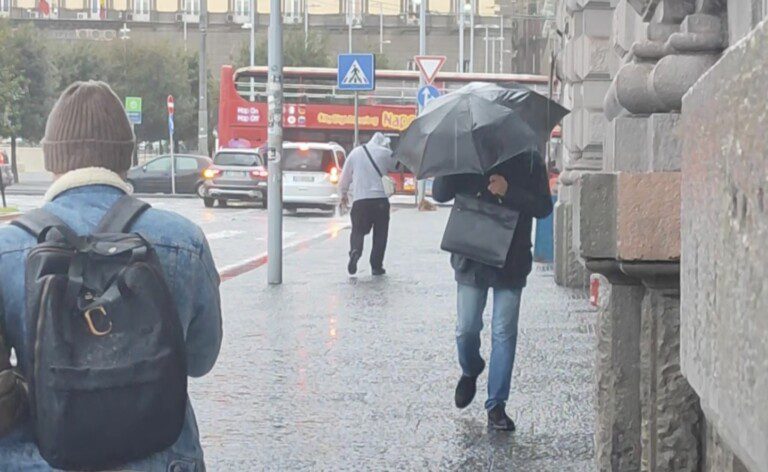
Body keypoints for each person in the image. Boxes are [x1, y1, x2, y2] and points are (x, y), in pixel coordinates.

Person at [0, 81, 222, 470]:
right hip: (162, 458)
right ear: (127, 157)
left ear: (54, 160)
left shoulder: (7, 249)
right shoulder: (183, 241)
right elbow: (201, 359)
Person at [432, 151, 553, 431]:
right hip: (471, 254)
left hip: (511, 258)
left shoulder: (529, 157)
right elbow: (439, 193)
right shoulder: (465, 150)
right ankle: (471, 368)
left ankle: (496, 405)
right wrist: (452, 162)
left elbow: (543, 207)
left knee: (503, 332)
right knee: (466, 327)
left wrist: (508, 191)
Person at [339, 133, 397, 276]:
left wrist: (343, 194)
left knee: (357, 230)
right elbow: (397, 166)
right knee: (380, 235)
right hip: (380, 201)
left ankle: (355, 252)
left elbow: (344, 177)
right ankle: (376, 266)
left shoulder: (355, 153)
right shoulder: (386, 153)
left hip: (360, 201)